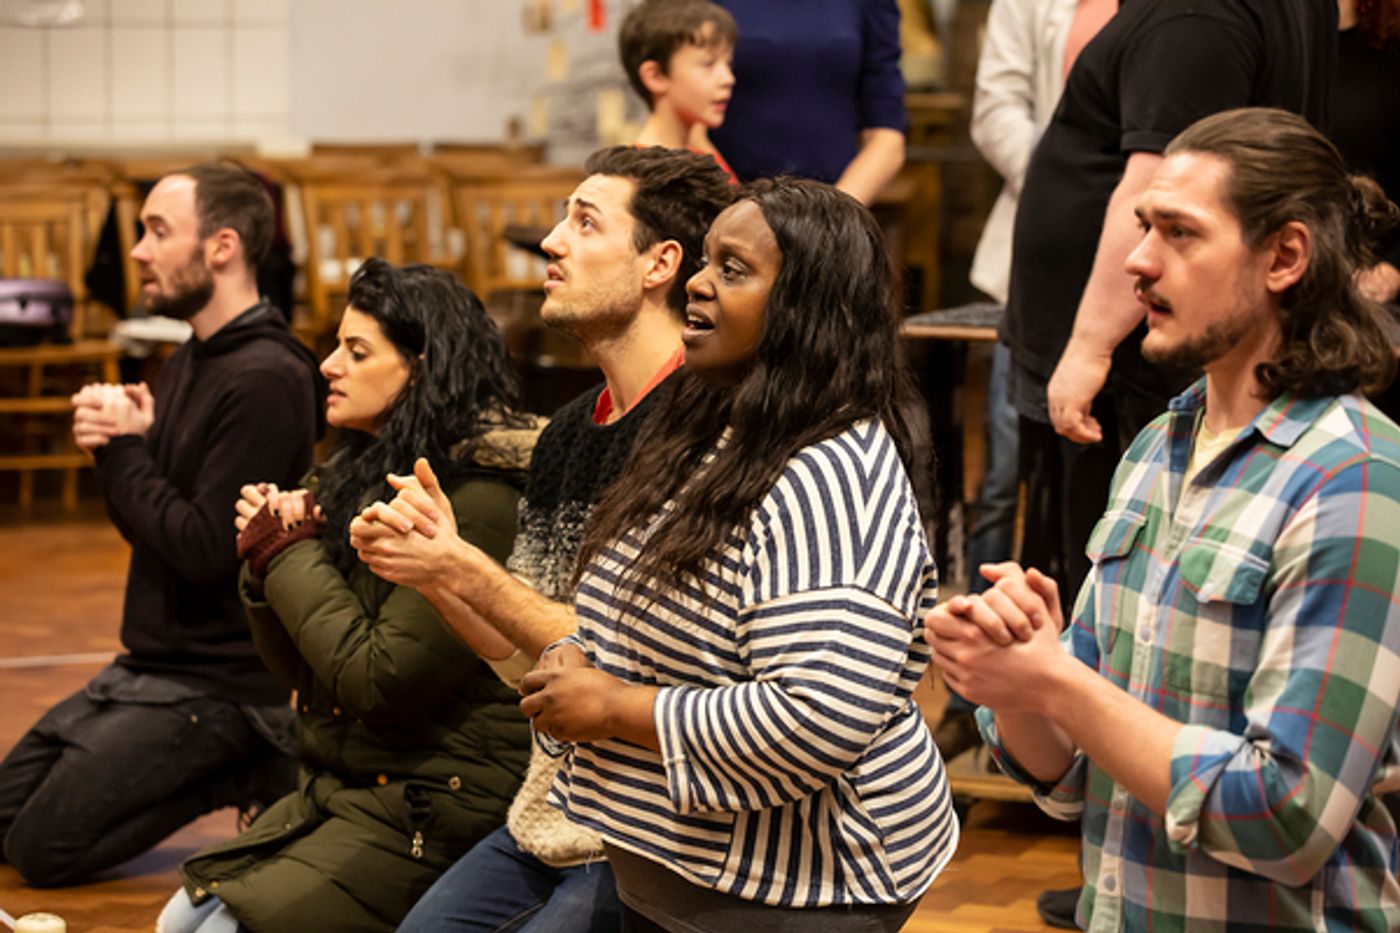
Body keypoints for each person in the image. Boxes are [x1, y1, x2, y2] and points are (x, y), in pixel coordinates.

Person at [928, 107, 1400, 931]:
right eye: (1142, 226)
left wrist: (1058, 682)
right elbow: (1076, 778)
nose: (1137, 262)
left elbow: (1288, 814)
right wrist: (1019, 678)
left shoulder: (1353, 477)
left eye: (1178, 233)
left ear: (1285, 255)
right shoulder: (1158, 447)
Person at [518, 178, 957, 931]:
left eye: (733, 269)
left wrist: (613, 706)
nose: (697, 281)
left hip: (805, 882)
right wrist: (576, 653)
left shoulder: (831, 469)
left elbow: (818, 714)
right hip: (678, 864)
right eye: (705, 260)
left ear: (805, 310)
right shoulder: (710, 424)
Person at [353, 146, 735, 933]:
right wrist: (436, 570)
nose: (553, 242)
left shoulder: (701, 429)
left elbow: (629, 669)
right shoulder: (567, 433)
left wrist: (465, 566)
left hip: (650, 830)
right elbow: (528, 665)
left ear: (661, 262)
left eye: (584, 221)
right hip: (549, 810)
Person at [157, 259, 536, 933]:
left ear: (421, 368)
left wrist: (288, 553)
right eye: (336, 345)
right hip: (344, 785)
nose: (327, 365)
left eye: (356, 351)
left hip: (435, 801)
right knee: (173, 921)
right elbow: (305, 672)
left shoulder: (476, 499)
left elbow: (375, 681)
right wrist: (264, 560)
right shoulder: (353, 468)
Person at [0, 164, 322, 887]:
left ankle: (243, 767)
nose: (139, 250)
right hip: (150, 666)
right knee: (4, 821)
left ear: (223, 247)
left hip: (220, 688)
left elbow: (208, 550)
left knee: (42, 850)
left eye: (157, 231)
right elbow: (154, 528)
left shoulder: (266, 377)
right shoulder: (189, 359)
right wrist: (120, 448)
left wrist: (122, 450)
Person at [1001, 0, 1336, 617]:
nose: (1145, 254)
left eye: (1168, 235)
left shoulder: (1195, 14)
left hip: (1135, 360)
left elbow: (1159, 186)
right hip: (1148, 356)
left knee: (1113, 591)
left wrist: (1089, 345)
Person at [708, 0, 906, 204]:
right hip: (723, 200)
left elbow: (887, 136)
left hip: (833, 206)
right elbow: (685, 112)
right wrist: (736, 211)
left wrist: (831, 218)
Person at [621, 0, 738, 181]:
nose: (728, 78)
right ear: (656, 76)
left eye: (728, 63)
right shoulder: (643, 177)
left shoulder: (704, 159)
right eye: (708, 64)